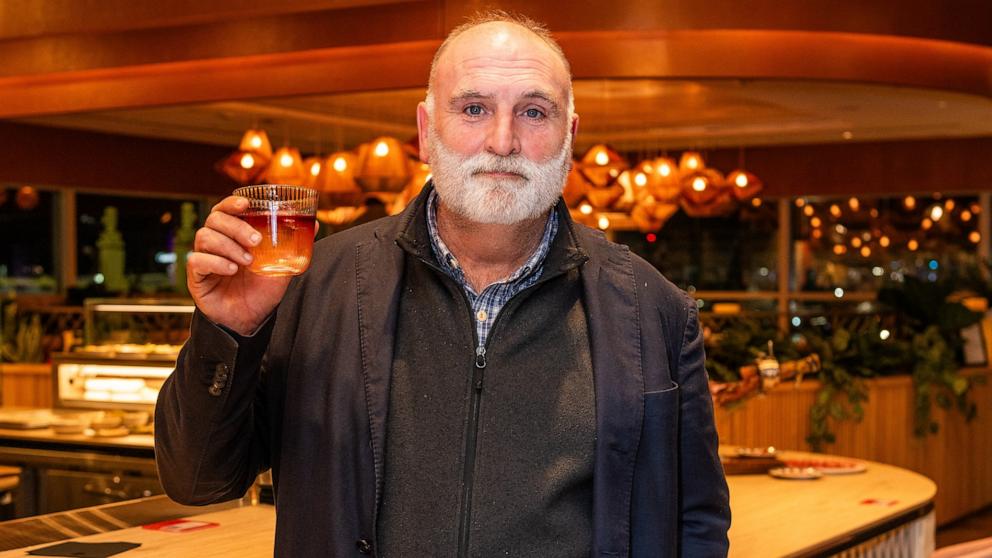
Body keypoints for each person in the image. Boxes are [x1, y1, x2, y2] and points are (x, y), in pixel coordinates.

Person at [155, 11, 730, 558]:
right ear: (426, 132)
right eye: (474, 108)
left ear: (569, 136)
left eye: (534, 112)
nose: (503, 141)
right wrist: (228, 332)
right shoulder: (313, 284)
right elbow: (198, 479)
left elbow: (697, 522)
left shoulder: (653, 310)